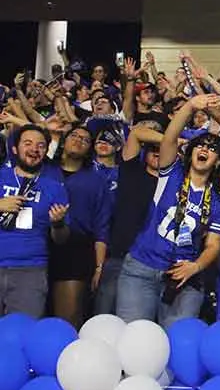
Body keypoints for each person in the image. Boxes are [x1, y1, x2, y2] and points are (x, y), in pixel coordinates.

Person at [116, 94, 220, 327]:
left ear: (217, 161)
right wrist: (189, 107)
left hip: (183, 278)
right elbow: (169, 139)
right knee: (133, 337)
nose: (204, 149)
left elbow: (213, 245)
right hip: (141, 268)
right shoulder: (173, 173)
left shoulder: (218, 203)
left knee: (178, 344)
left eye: (212, 148)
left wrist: (196, 266)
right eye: (200, 145)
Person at [0, 125, 70, 317]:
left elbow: (61, 239)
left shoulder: (55, 188)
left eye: (40, 146)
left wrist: (58, 224)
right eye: (28, 143)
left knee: (23, 330)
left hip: (30, 270)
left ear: (46, 152)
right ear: (15, 149)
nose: (34, 149)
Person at [46, 125, 111, 326]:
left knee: (68, 319)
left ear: (90, 148)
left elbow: (101, 227)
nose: (78, 140)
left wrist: (99, 267)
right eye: (73, 135)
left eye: (85, 139)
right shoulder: (44, 169)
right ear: (64, 140)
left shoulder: (97, 181)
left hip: (75, 251)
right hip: (36, 244)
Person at [95, 124, 164, 315]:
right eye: (154, 148)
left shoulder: (174, 183)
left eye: (163, 150)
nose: (158, 152)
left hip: (153, 263)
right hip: (119, 256)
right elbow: (136, 134)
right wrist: (170, 141)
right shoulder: (131, 171)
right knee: (105, 318)